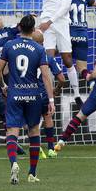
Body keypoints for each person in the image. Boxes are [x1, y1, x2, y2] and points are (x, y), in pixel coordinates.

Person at [8, 0, 80, 106]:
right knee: (47, 59)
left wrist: (50, 22)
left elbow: (65, 5)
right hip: (46, 21)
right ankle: (48, 93)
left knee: (67, 59)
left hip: (60, 22)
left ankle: (77, 94)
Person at [0, 15, 55, 184]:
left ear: (19, 27)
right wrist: (50, 100)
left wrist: (3, 87)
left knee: (12, 131)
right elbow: (45, 75)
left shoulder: (9, 45)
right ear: (34, 28)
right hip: (34, 95)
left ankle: (14, 162)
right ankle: (32, 173)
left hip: (15, 94)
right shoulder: (38, 48)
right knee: (34, 131)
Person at [32, 29, 65, 159]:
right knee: (48, 118)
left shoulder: (27, 55)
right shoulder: (48, 58)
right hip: (45, 94)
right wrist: (56, 89)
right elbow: (62, 78)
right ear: (43, 41)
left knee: (31, 122)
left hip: (29, 92)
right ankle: (51, 148)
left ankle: (37, 147)